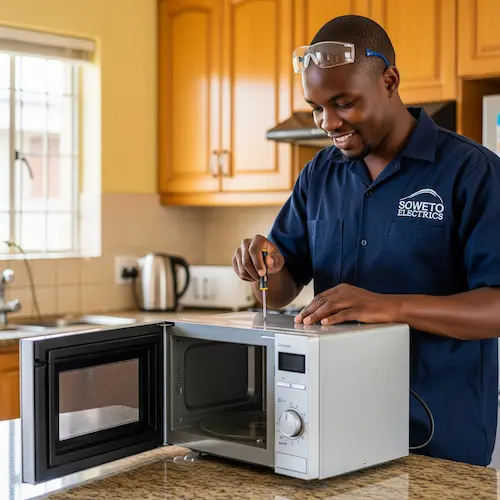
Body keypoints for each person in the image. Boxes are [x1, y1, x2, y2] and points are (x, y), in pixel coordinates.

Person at [232, 14, 500, 467]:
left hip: (438, 436)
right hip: (333, 422)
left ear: (390, 81)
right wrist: (264, 266)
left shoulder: (471, 172)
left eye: (343, 103)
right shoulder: (320, 174)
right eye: (316, 107)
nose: (327, 122)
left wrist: (388, 306)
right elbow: (282, 289)